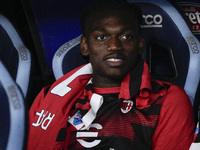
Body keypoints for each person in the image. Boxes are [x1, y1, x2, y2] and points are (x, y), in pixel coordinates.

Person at [27, 0, 194, 149]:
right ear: (85, 46)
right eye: (101, 37)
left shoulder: (167, 100)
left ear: (140, 44)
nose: (114, 46)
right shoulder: (48, 97)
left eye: (126, 36)